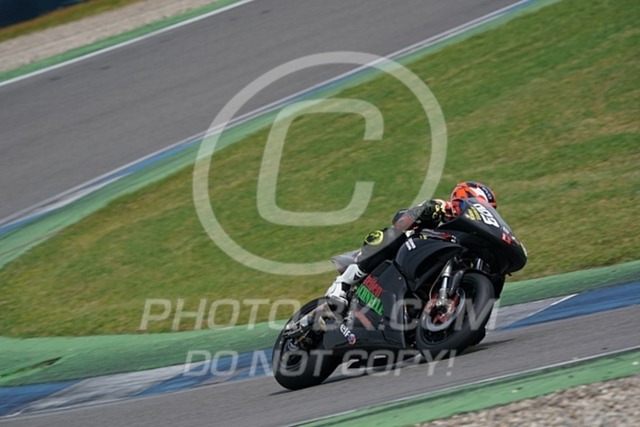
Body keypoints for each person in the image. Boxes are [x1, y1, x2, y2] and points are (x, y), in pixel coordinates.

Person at [325, 181, 498, 306]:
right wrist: (426, 210)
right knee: (393, 235)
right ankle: (343, 284)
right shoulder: (439, 208)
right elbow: (400, 221)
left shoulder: (470, 235)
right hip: (404, 257)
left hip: (422, 278)